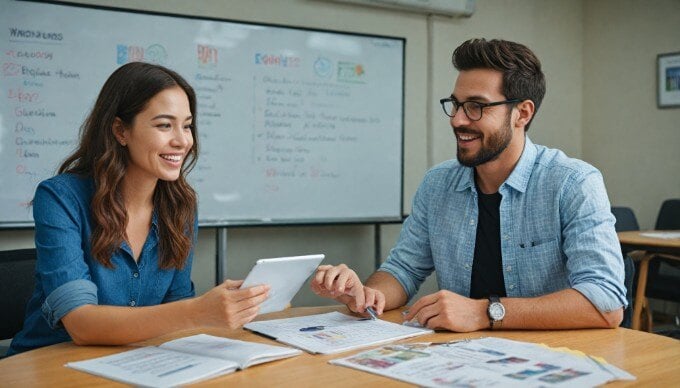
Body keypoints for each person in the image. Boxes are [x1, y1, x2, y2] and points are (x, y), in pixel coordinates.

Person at [312, 38, 626, 332]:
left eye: (476, 106)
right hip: (462, 359)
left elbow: (606, 301)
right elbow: (402, 270)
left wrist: (484, 312)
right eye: (456, 104)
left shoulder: (573, 183)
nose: (458, 120)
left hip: (555, 360)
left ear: (522, 113)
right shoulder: (438, 184)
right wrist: (365, 295)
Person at [8, 62, 269, 356]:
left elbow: (177, 306)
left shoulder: (181, 206)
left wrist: (226, 307)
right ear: (121, 131)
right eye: (164, 125)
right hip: (49, 366)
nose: (182, 141)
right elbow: (81, 324)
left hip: (134, 363)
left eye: (187, 125)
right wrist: (198, 312)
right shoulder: (60, 197)